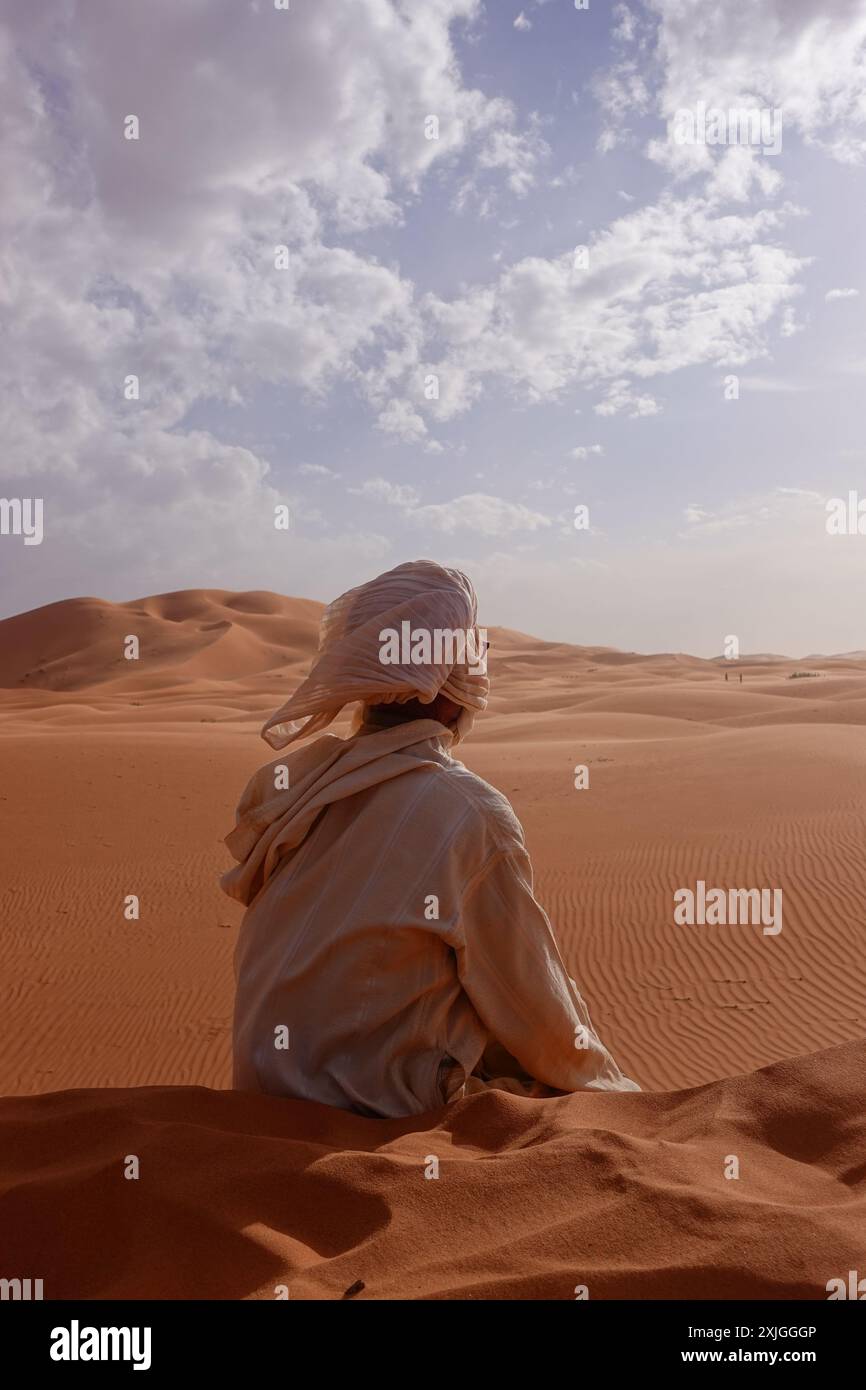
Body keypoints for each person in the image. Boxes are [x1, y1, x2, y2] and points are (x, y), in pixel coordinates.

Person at [221, 559, 638, 1116]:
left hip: (260, 1098)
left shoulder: (299, 790)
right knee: (536, 1093)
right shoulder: (467, 812)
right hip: (366, 1120)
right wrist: (626, 1104)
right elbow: (539, 1013)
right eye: (472, 655)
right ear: (446, 687)